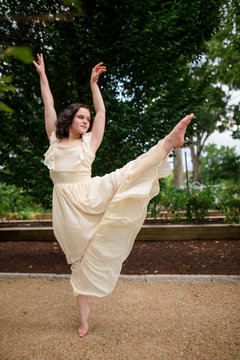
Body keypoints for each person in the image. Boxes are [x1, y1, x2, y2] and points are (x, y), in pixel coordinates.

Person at [33, 53, 194, 338]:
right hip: (66, 210)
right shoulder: (54, 141)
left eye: (87, 118)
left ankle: (168, 142)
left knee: (126, 175)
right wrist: (43, 75)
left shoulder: (89, 143)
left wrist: (94, 85)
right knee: (79, 262)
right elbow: (48, 103)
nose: (86, 121)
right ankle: (84, 319)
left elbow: (103, 114)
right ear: (69, 119)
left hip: (90, 193)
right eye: (81, 117)